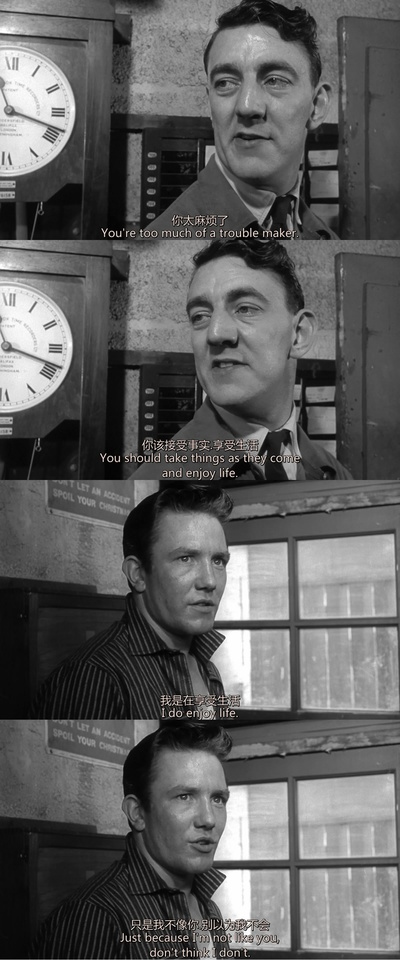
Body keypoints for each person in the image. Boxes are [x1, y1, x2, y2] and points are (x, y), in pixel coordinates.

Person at [135, 238, 352, 483]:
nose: (215, 333)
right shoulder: (159, 486)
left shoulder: (337, 476)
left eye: (245, 309)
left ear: (299, 335)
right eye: (200, 316)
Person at [29, 723, 232, 960]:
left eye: (218, 799)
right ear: (137, 813)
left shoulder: (207, 905)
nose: (209, 819)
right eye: (184, 796)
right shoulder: (96, 916)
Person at [29, 486, 232, 719]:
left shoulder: (206, 666)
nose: (210, 581)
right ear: (137, 574)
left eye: (218, 561)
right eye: (185, 558)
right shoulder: (96, 677)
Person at [151, 0, 335, 239]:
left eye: (275, 80)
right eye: (225, 83)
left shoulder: (324, 237)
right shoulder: (167, 237)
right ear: (210, 104)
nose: (246, 106)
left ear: (316, 106)